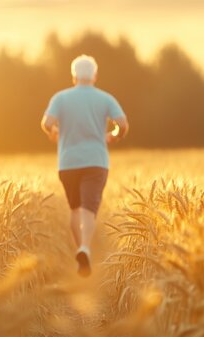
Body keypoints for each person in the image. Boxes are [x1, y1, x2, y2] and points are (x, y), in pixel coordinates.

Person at [40, 55, 129, 277]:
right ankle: (85, 248)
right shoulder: (105, 98)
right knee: (89, 208)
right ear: (95, 76)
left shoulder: (60, 98)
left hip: (68, 162)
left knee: (75, 209)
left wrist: (54, 133)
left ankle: (82, 254)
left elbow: (46, 123)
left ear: (74, 77)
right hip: (96, 161)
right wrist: (114, 136)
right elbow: (123, 124)